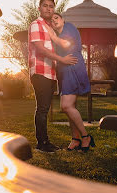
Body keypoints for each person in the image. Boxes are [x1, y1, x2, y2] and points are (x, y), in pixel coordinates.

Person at [28, 0, 78, 153]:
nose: (48, 9)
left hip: (50, 73)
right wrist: (62, 59)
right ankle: (42, 143)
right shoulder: (36, 25)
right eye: (45, 6)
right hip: (40, 71)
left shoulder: (49, 27)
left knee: (45, 108)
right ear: (39, 8)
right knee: (42, 109)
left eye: (51, 6)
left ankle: (44, 141)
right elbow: (41, 49)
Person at [44, 13, 95, 152]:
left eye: (56, 18)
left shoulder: (69, 28)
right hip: (63, 72)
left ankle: (86, 136)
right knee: (70, 106)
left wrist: (53, 36)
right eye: (51, 20)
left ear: (63, 20)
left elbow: (67, 44)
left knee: (66, 106)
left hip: (72, 68)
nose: (54, 20)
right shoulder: (58, 35)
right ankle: (75, 138)